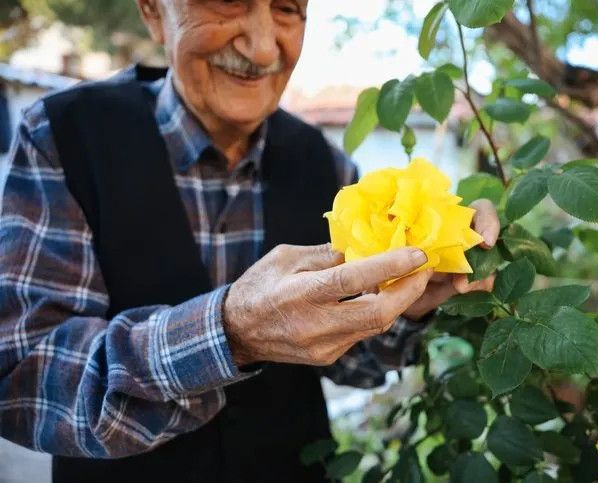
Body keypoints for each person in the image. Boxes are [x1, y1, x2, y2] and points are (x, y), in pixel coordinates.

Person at [0, 1, 500, 482]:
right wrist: (229, 334)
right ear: (153, 11)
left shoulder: (327, 167)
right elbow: (23, 376)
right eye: (226, 1)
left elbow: (356, 363)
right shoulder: (64, 135)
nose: (263, 49)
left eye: (287, 8)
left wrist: (408, 301)